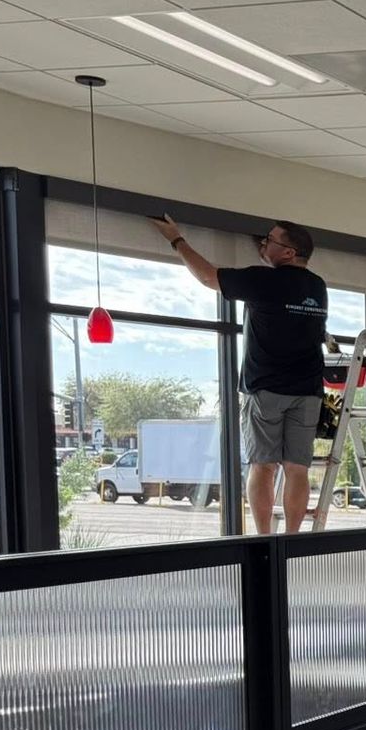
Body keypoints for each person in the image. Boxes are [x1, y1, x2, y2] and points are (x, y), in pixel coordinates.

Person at [153, 214, 328, 534]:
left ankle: (265, 539)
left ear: (288, 252)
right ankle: (291, 538)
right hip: (308, 389)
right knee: (297, 469)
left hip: (267, 389)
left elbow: (208, 277)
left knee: (262, 465)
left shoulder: (265, 280)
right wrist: (265, 249)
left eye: (270, 241)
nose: (264, 244)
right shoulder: (317, 286)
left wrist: (176, 240)